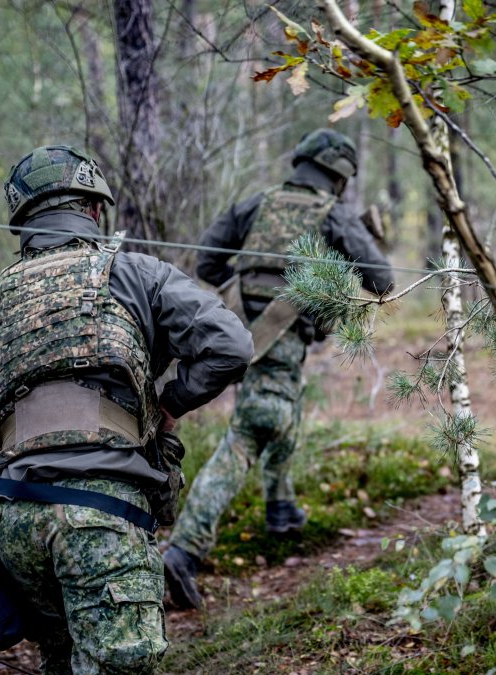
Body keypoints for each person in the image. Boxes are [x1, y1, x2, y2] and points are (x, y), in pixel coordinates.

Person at [0, 145, 253, 673]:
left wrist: (28, 440)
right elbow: (231, 346)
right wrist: (169, 404)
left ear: (23, 222)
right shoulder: (137, 275)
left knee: (59, 660)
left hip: (14, 524)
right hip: (102, 519)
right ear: (95, 210)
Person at [162, 128, 393, 610]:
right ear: (340, 176)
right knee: (254, 429)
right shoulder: (334, 214)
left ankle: (281, 508)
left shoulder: (254, 204)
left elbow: (208, 261)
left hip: (239, 335)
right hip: (278, 342)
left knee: (282, 415)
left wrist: (246, 292)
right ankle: (184, 550)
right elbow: (383, 279)